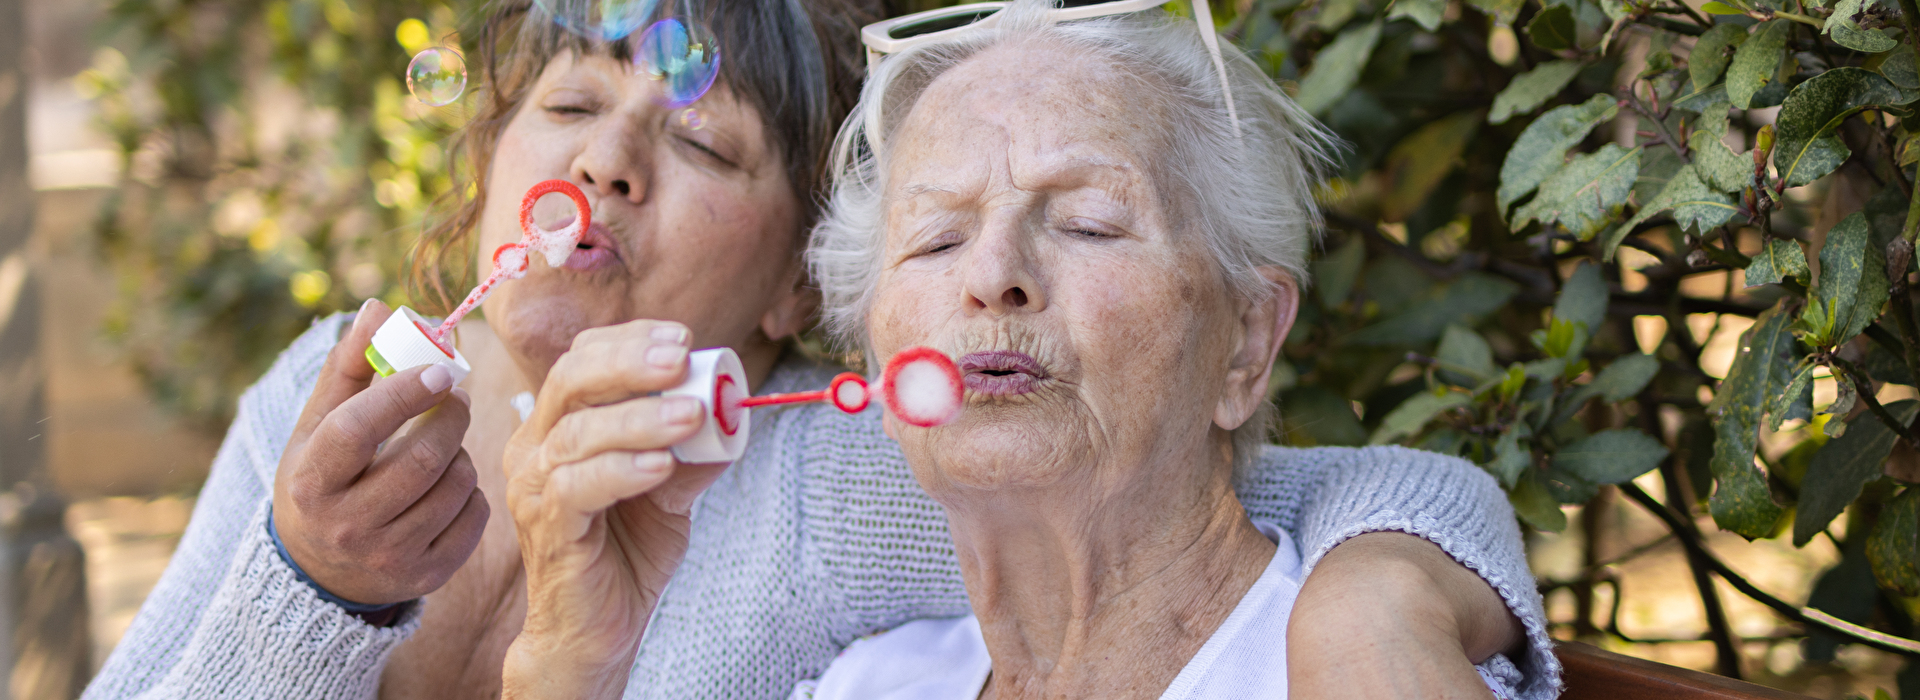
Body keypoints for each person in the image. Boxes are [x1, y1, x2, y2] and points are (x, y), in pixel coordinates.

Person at [82, 1, 1555, 699]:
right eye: (570, 106)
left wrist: (1371, 621)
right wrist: (311, 585)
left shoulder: (810, 476)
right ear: (486, 162)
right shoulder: (330, 394)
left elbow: (1225, 496)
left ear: (798, 288)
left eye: (702, 141)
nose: (606, 167)